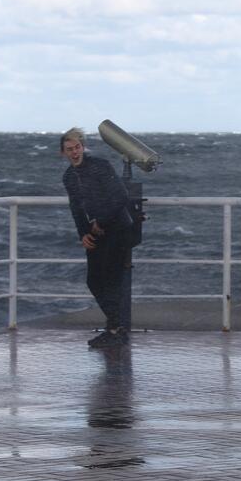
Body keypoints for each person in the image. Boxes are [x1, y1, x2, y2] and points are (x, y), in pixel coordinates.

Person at [60, 127, 133, 348]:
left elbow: (121, 196)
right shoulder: (69, 177)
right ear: (63, 153)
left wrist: (100, 221)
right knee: (93, 281)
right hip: (96, 232)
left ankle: (115, 330)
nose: (74, 152)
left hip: (117, 228)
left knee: (111, 279)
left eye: (77, 147)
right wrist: (83, 233)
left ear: (83, 146)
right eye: (69, 149)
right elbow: (77, 208)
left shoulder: (100, 166)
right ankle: (116, 327)